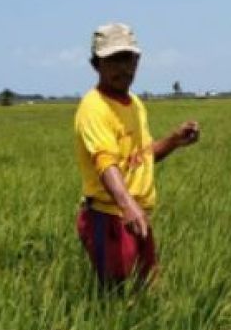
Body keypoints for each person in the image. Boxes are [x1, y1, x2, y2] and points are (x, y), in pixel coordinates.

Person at [74, 22, 201, 288]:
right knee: (117, 298)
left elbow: (142, 156)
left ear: (138, 60)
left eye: (129, 59)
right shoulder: (94, 107)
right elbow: (105, 162)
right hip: (108, 217)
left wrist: (174, 140)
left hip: (135, 216)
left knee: (149, 286)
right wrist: (127, 205)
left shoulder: (135, 104)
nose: (124, 68)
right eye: (114, 59)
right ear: (96, 64)